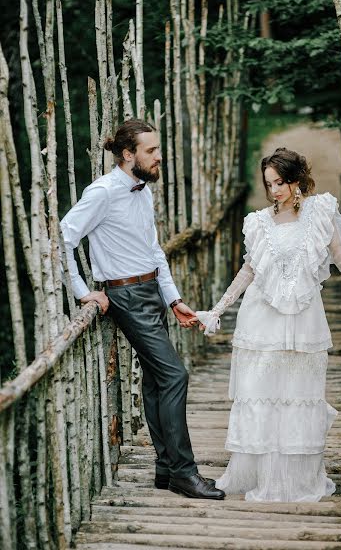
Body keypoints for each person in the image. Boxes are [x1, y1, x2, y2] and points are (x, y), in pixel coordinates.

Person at [196, 147, 341, 502]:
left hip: (303, 321)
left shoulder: (319, 212)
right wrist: (217, 308)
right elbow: (249, 270)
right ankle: (260, 475)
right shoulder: (258, 222)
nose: (274, 191)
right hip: (261, 320)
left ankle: (294, 481)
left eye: (280, 182)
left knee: (298, 395)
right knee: (261, 395)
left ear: (296, 180)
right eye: (269, 184)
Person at [60, 118, 224, 501]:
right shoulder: (102, 192)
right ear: (127, 154)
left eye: (157, 149)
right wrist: (84, 291)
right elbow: (62, 238)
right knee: (174, 376)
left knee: (156, 380)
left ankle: (166, 471)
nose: (159, 156)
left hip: (150, 290)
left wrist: (174, 298)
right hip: (127, 296)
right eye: (151, 151)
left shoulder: (143, 190)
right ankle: (185, 472)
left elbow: (153, 251)